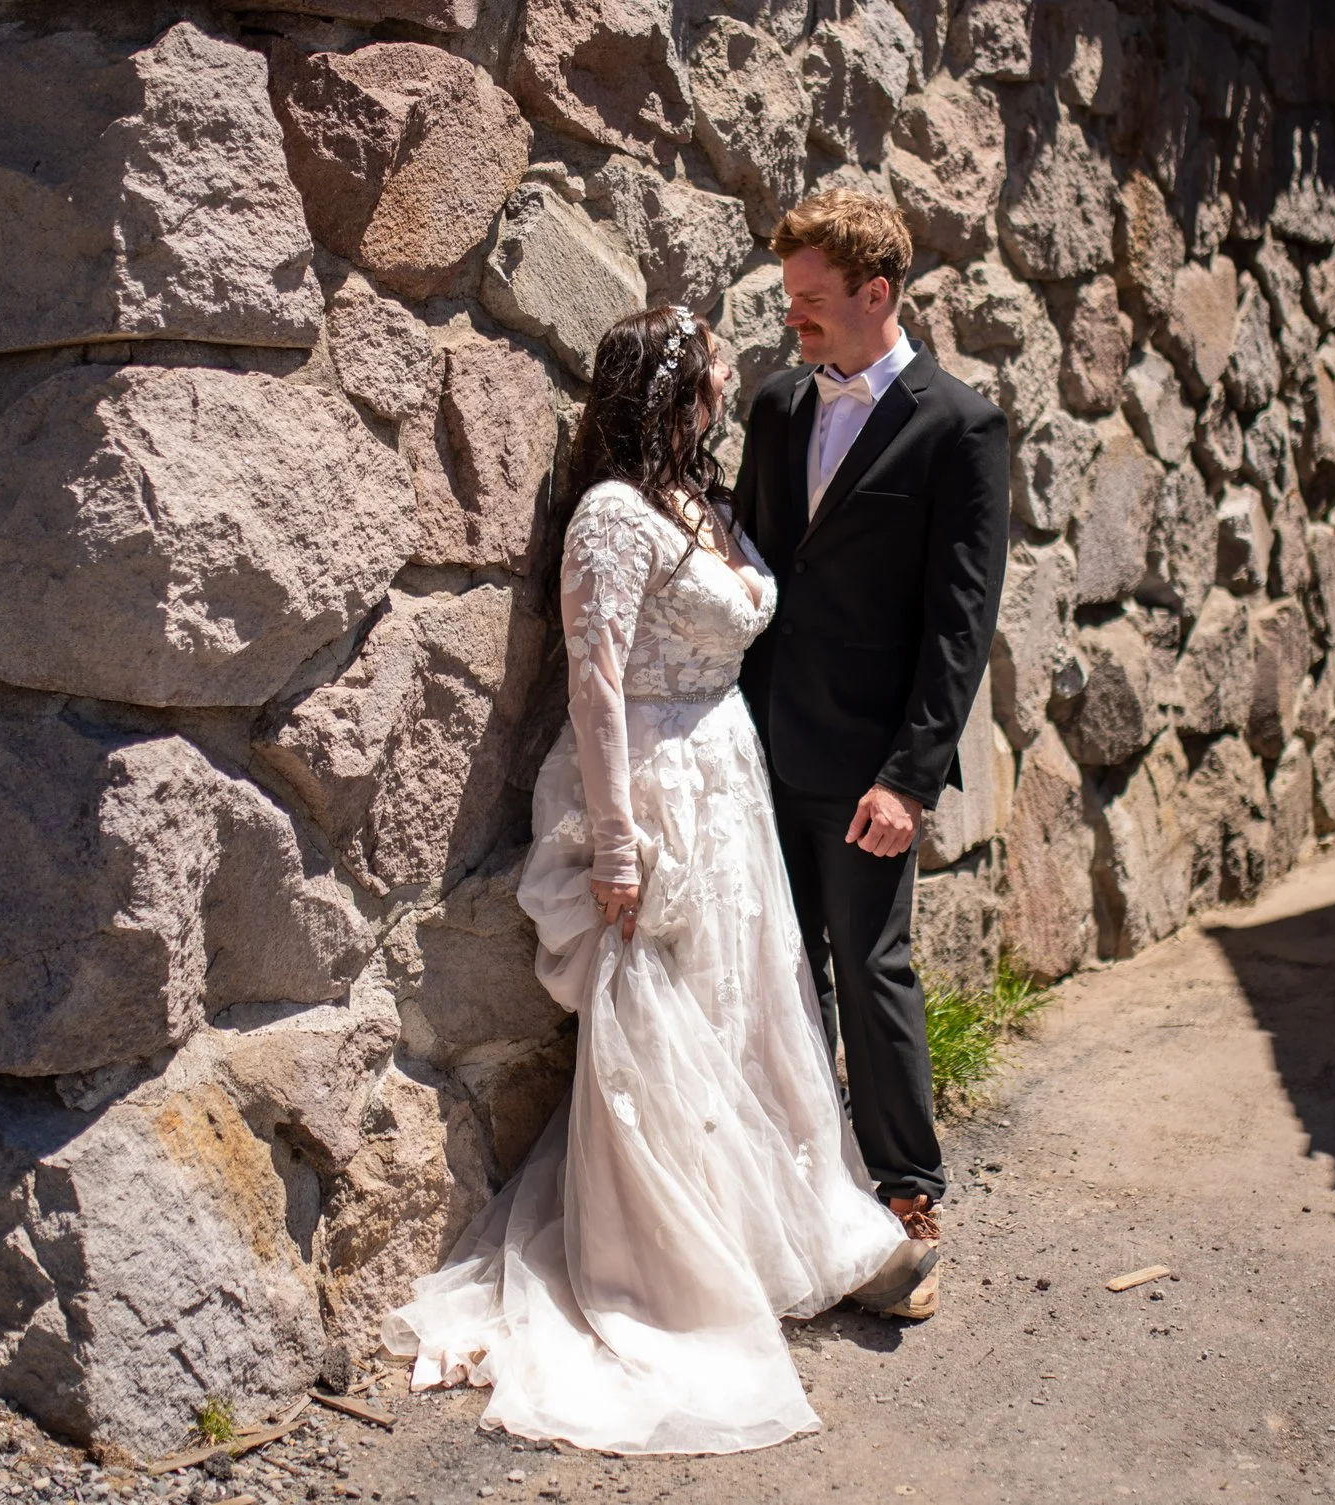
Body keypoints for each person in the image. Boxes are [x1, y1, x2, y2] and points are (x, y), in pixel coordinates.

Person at [380, 305, 939, 1456]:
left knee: (746, 1015)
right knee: (658, 1025)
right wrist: (619, 841)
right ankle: (668, 1269)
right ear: (672, 388)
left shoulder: (705, 507)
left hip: (729, 776)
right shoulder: (612, 517)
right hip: (653, 783)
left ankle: (762, 1231)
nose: (732, 384)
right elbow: (591, 683)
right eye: (714, 371)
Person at [733, 190, 1011, 1321]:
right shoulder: (776, 405)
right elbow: (751, 560)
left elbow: (961, 621)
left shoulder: (961, 426)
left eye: (811, 299)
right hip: (757, 741)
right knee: (775, 966)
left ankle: (906, 1191)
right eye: (789, 296)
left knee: (871, 963)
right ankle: (789, 1182)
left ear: (875, 293)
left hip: (865, 768)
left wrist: (908, 774)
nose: (793, 318)